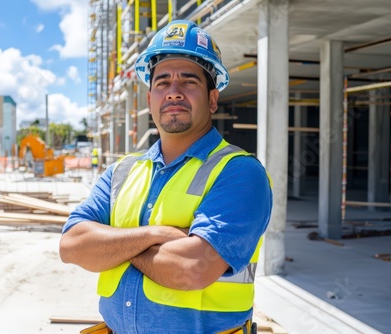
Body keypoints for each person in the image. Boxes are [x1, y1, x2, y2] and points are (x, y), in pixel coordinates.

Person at [59, 19, 272, 334]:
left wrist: (113, 248)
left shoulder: (240, 172)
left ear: (213, 99)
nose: (173, 92)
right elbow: (72, 246)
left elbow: (192, 269)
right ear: (149, 101)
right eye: (162, 82)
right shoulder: (121, 172)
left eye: (188, 81)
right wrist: (155, 236)